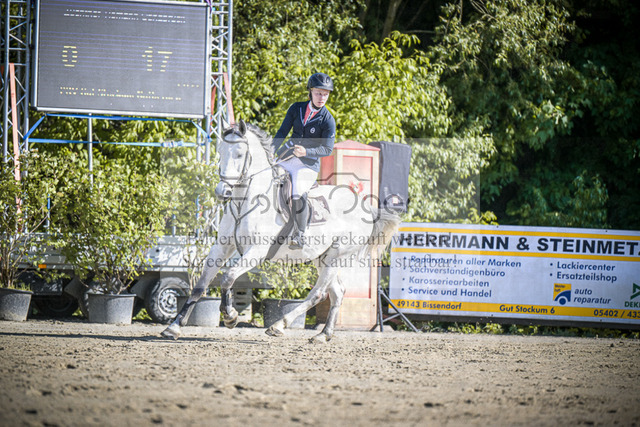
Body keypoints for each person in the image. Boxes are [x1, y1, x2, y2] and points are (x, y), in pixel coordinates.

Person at [271, 73, 336, 249]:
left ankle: (299, 235)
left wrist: (306, 151)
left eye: (325, 94)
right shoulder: (296, 108)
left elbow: (327, 149)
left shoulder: (328, 120)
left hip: (308, 164)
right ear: (310, 91)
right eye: (318, 93)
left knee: (298, 190)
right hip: (287, 157)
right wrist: (271, 151)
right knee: (268, 176)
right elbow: (282, 132)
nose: (322, 98)